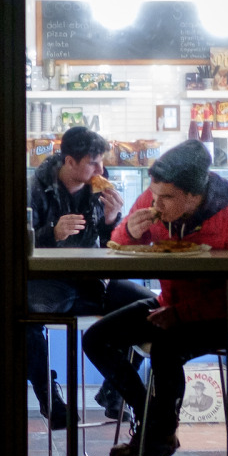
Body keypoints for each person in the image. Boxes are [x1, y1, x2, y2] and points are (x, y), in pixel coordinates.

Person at [82, 139, 228, 456]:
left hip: (224, 316)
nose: (157, 202)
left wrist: (182, 314)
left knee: (166, 349)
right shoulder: (154, 201)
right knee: (96, 339)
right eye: (155, 194)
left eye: (167, 197)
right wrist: (129, 230)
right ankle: (148, 413)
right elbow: (120, 243)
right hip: (169, 304)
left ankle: (159, 436)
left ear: (195, 195)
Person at [27, 126, 150, 428]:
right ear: (70, 162)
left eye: (102, 162)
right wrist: (51, 234)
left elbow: (112, 244)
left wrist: (112, 221)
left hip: (92, 282)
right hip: (46, 284)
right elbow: (14, 244)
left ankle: (115, 390)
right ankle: (49, 397)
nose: (101, 169)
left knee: (151, 308)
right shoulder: (34, 189)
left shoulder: (98, 192)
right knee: (24, 318)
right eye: (93, 163)